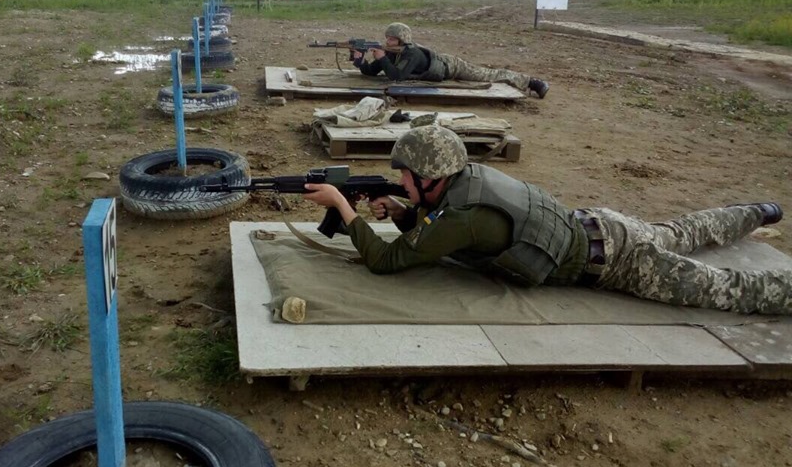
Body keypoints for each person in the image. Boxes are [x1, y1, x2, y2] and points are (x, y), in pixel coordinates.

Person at [303, 125, 791, 315]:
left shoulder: (463, 214)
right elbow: (440, 227)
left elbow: (387, 262)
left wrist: (342, 208)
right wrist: (407, 213)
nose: (401, 184)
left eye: (406, 178)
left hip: (621, 261)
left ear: (432, 176)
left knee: (724, 289)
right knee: (685, 230)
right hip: (607, 227)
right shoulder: (467, 179)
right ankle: (758, 211)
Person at [353, 22, 550, 99]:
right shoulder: (389, 52)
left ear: (402, 40)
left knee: (487, 75)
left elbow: (397, 77)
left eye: (392, 39)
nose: (387, 41)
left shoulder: (411, 53)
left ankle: (532, 82)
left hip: (451, 67)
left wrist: (381, 58)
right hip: (438, 71)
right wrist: (360, 60)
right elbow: (370, 72)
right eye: (387, 38)